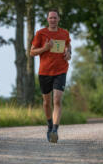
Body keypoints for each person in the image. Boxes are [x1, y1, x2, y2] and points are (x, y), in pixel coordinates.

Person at [30, 9, 71, 143]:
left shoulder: (64, 33)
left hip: (61, 70)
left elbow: (68, 46)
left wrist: (68, 54)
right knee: (47, 102)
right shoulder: (40, 33)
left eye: (55, 18)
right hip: (45, 72)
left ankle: (55, 130)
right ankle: (49, 126)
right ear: (47, 19)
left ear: (59, 19)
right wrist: (45, 48)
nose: (53, 20)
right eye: (50, 18)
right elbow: (32, 52)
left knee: (57, 100)